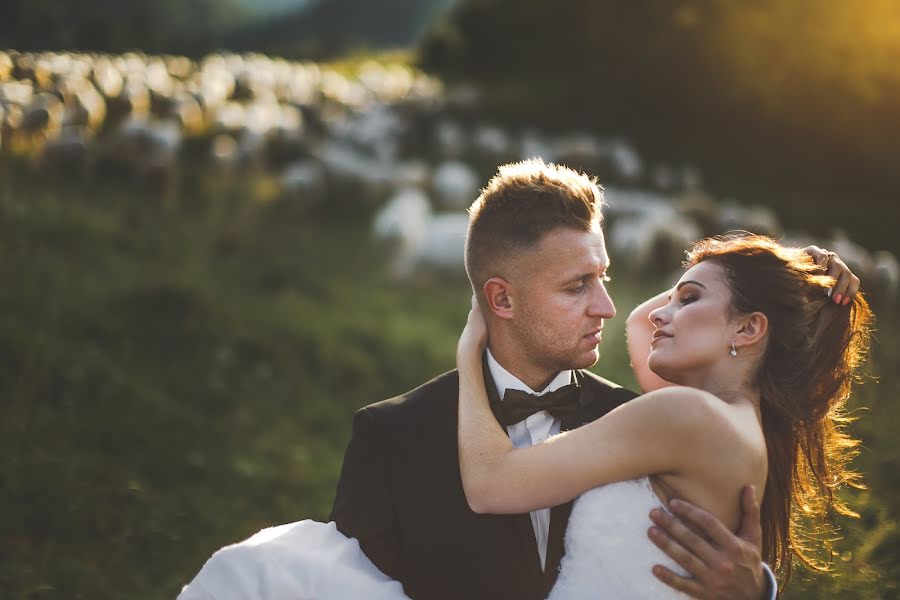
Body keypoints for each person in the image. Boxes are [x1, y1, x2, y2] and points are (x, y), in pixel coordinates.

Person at [179, 160, 863, 599]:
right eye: (579, 285)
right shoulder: (392, 436)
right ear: (500, 298)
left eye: (607, 279)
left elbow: (492, 485)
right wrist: (773, 278)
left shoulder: (654, 419)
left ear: (749, 330)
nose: (609, 306)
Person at [455, 233, 872, 598]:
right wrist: (780, 266)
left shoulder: (688, 415)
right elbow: (641, 325)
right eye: (671, 298)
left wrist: (470, 355)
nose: (658, 312)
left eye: (688, 299)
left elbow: (491, 484)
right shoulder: (736, 422)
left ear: (747, 330)